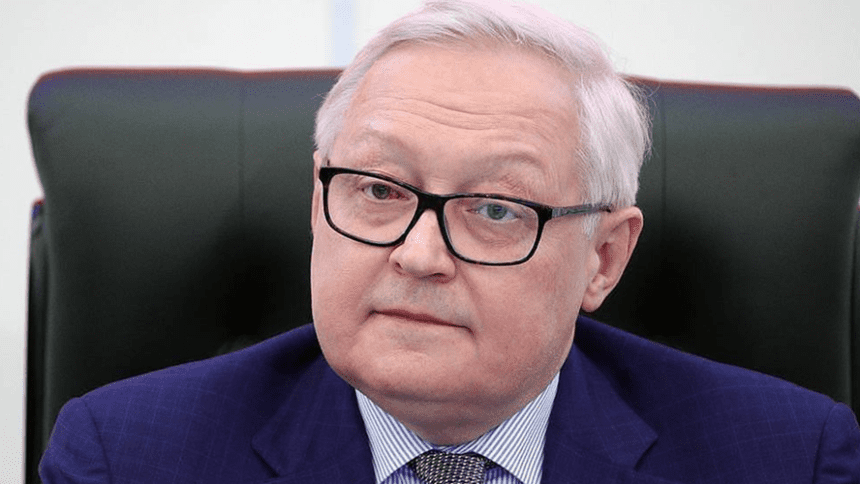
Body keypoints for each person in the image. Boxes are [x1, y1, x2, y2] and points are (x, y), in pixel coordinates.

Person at [40, 1, 860, 483]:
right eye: (378, 190)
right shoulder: (126, 458)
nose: (420, 255)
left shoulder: (790, 459)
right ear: (317, 201)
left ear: (603, 258)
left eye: (495, 209)